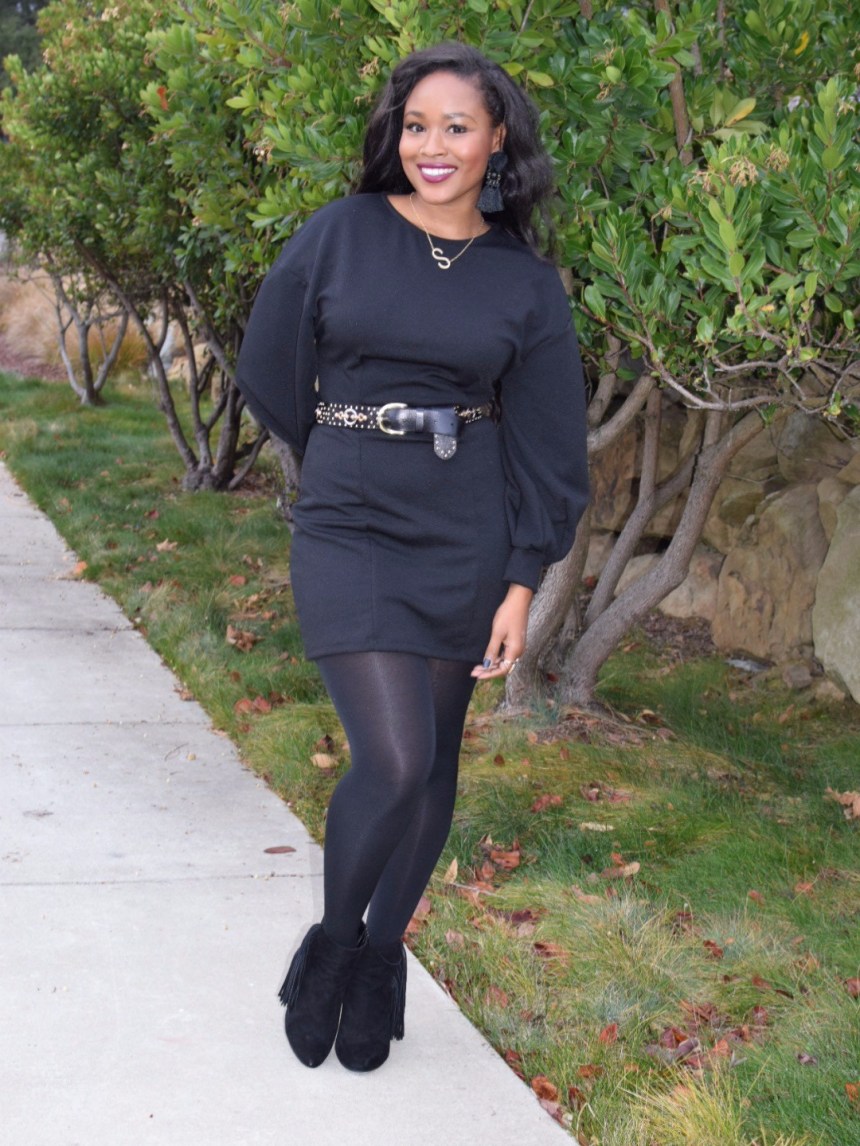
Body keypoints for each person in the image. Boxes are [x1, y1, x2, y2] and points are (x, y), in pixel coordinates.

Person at [235, 41, 589, 1073]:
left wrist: (522, 576)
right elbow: (270, 363)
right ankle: (335, 946)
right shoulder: (339, 234)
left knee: (432, 759)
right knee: (389, 762)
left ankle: (385, 954)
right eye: (415, 124)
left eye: (456, 127)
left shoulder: (523, 282)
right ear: (396, 134)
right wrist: (336, 444)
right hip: (349, 518)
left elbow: (547, 443)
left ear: (496, 145)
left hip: (464, 529)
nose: (431, 146)